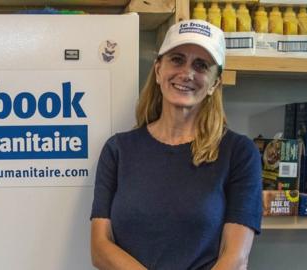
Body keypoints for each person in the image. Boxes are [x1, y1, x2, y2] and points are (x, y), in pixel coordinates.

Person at [90, 19, 262, 270]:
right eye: (177, 59)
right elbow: (100, 248)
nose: (187, 73)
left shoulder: (238, 153)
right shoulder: (118, 150)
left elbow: (235, 259)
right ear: (158, 70)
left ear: (215, 83)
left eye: (201, 65)